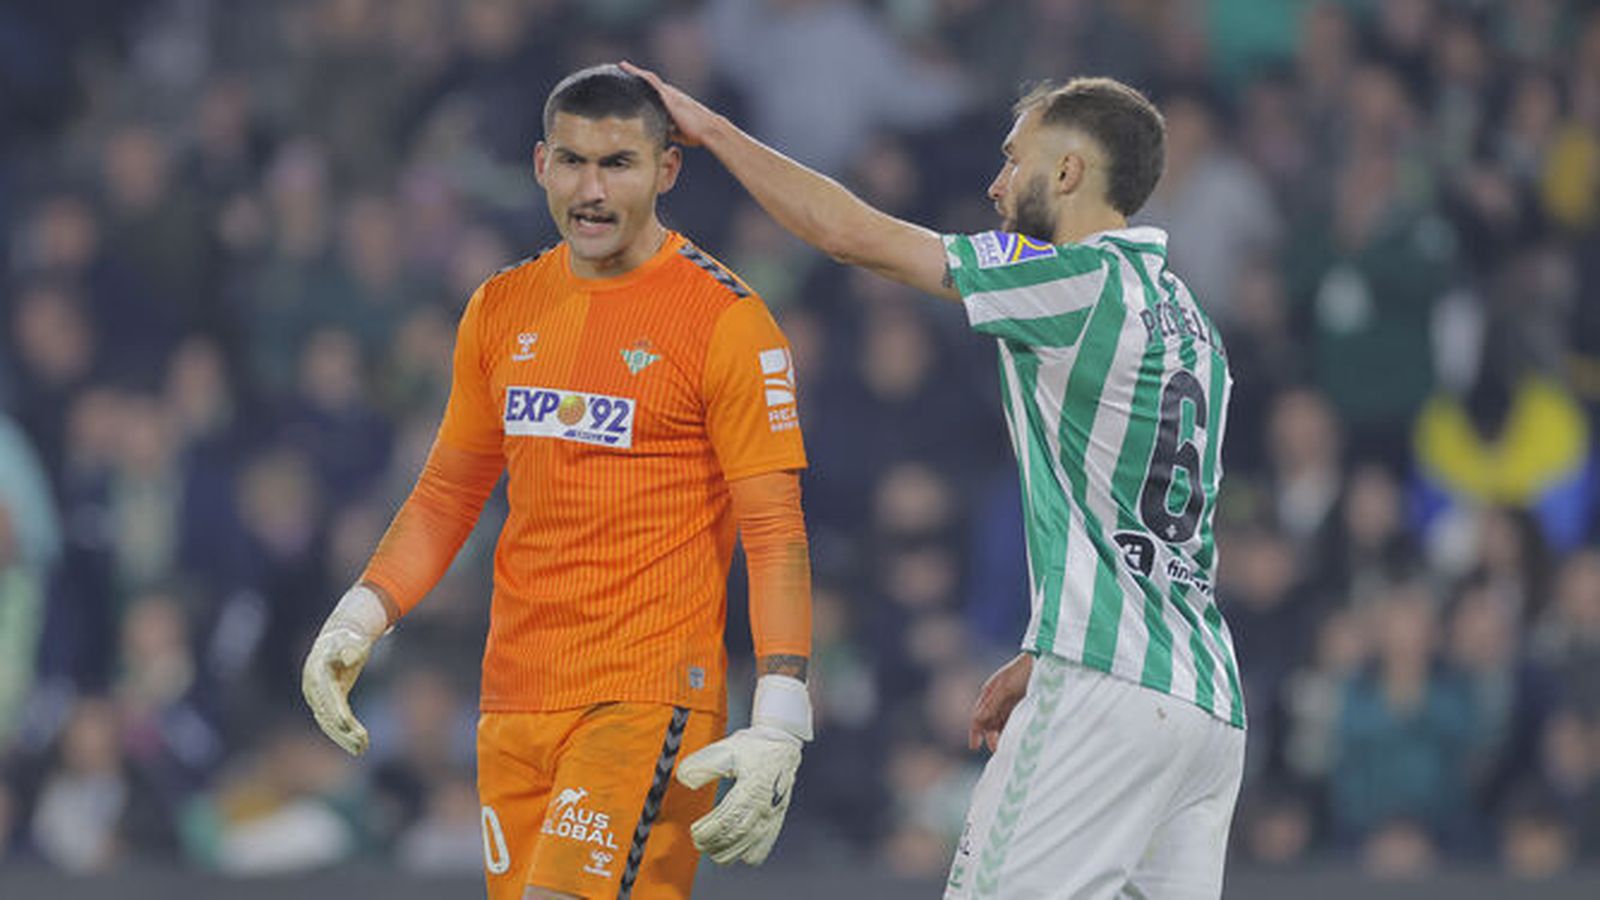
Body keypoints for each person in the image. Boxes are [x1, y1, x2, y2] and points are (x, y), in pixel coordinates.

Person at [626, 62, 1247, 899]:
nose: (995, 185)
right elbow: (1153, 522)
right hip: (1204, 702)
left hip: (1107, 691)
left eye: (1013, 158)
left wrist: (714, 131)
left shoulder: (1073, 280)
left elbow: (857, 238)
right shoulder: (1190, 318)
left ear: (1067, 173)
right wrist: (1044, 646)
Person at [300, 65, 816, 900]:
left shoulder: (728, 322)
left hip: (647, 695)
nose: (592, 189)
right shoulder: (500, 309)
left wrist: (782, 712)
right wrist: (361, 613)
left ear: (667, 172)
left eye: (618, 164)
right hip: (514, 698)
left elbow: (776, 528)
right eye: (572, 161)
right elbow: (448, 493)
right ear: (539, 165)